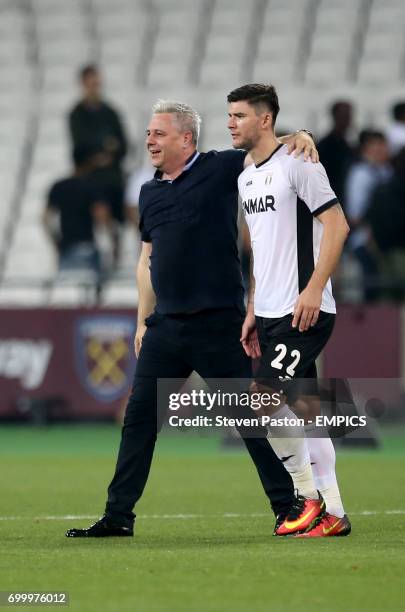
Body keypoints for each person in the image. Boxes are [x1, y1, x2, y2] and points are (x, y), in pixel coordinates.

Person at [66, 100, 324, 539]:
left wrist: (300, 135)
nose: (149, 140)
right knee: (139, 421)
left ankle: (288, 506)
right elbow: (146, 261)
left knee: (250, 419)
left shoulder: (219, 168)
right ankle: (118, 516)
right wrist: (142, 321)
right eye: (148, 133)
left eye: (158, 133)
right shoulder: (149, 192)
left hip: (218, 325)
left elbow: (265, 149)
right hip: (166, 326)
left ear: (186, 138)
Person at [228, 83, 351, 537]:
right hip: (271, 311)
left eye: (239, 115)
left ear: (265, 119)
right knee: (305, 410)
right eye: (229, 115)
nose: (230, 124)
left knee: (260, 400)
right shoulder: (245, 176)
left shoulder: (299, 162)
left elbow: (338, 226)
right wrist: (252, 308)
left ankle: (307, 498)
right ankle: (334, 514)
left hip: (306, 309)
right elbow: (262, 250)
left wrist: (315, 288)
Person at [68, 65, 128, 260]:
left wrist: (105, 151)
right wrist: (104, 148)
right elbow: (80, 147)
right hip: (89, 175)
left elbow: (123, 145)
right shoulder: (76, 114)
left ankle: (117, 246)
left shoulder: (110, 112)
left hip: (112, 176)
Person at [44, 146, 110, 277]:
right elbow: (102, 216)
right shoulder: (93, 186)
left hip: (65, 248)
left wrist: (56, 242)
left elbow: (45, 218)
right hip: (86, 247)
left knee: (67, 293)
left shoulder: (59, 186)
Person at [345, 130, 392, 301]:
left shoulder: (388, 172)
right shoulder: (361, 174)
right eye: (378, 147)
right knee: (370, 287)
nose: (383, 151)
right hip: (366, 240)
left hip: (387, 240)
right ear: (366, 150)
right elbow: (355, 214)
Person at [366, 146, 405, 300]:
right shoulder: (394, 189)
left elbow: (373, 218)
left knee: (386, 296)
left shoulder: (382, 188)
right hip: (402, 250)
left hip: (382, 251)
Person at [317, 100, 356, 205]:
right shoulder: (325, 145)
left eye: (349, 115)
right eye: (344, 115)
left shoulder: (349, 143)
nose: (347, 119)